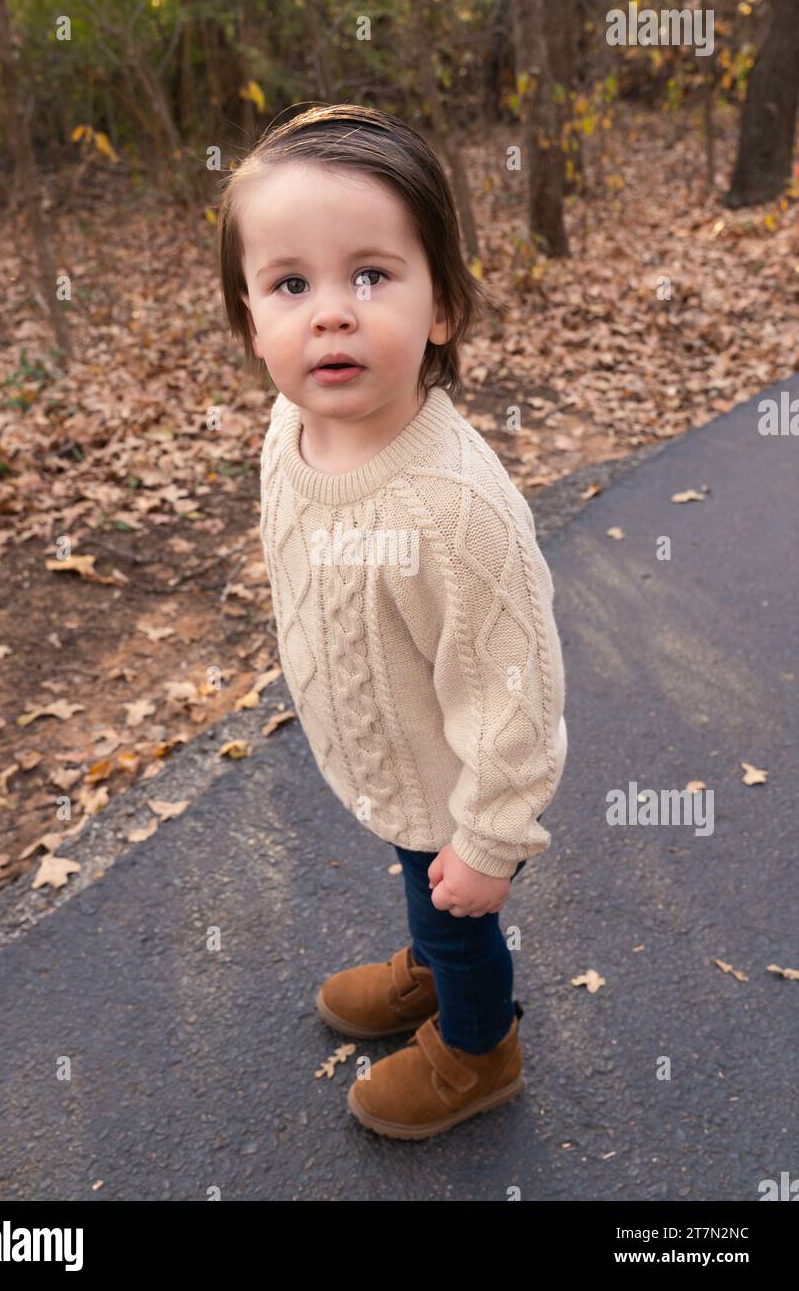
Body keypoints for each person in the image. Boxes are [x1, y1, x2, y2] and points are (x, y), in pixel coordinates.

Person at [217, 103, 568, 1140]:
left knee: (456, 901)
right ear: (250, 321)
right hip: (391, 754)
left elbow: (519, 689)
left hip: (462, 793)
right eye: (291, 284)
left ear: (443, 307)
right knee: (425, 887)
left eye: (370, 275)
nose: (330, 312)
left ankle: (477, 1045)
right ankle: (431, 956)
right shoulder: (292, 426)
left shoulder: (452, 508)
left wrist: (492, 840)